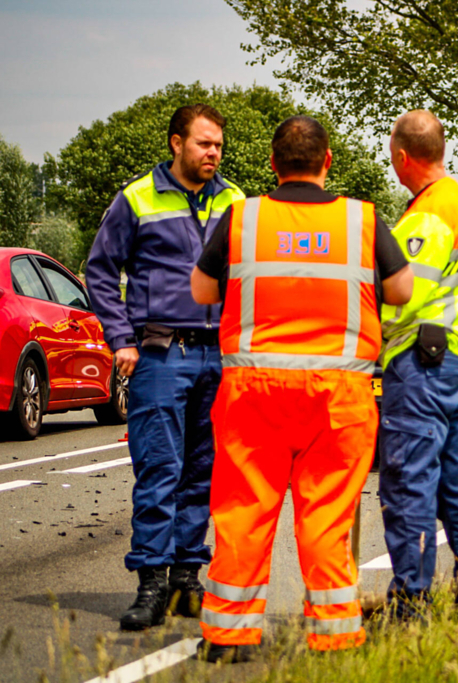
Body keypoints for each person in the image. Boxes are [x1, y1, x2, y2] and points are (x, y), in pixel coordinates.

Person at [188, 115, 412, 662]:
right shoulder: (361, 220)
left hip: (253, 393)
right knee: (326, 516)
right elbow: (402, 289)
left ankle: (227, 638)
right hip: (338, 396)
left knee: (243, 510)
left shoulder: (242, 217)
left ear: (273, 164)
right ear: (327, 161)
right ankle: (334, 636)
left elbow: (200, 291)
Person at [85, 104, 245, 631]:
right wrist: (120, 339)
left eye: (218, 145)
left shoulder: (236, 201)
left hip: (218, 355)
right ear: (176, 143)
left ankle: (185, 579)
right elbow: (101, 270)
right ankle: (151, 582)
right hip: (159, 354)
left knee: (204, 473)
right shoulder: (137, 197)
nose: (213, 153)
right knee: (160, 470)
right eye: (203, 144)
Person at [377, 109, 458, 620]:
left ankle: (411, 600)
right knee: (455, 483)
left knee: (408, 483)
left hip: (421, 364)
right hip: (456, 360)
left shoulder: (428, 214)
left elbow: (402, 297)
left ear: (403, 157)